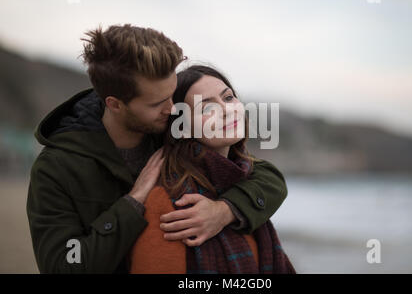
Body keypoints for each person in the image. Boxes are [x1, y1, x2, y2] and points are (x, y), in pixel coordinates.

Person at [26, 24, 288, 273]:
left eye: (172, 94)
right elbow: (63, 267)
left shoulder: (169, 128)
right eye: (158, 103)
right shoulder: (56, 168)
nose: (174, 109)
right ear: (115, 104)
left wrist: (224, 211)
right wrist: (133, 202)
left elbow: (262, 175)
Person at [130, 65, 295, 274]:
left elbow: (272, 178)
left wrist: (225, 211)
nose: (226, 111)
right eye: (206, 109)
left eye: (227, 98)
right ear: (182, 126)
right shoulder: (168, 199)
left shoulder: (243, 176)